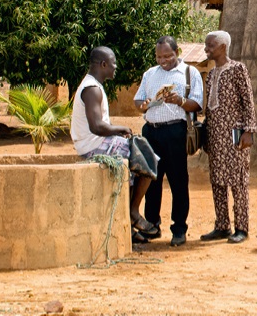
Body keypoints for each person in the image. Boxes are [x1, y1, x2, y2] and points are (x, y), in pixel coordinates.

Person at [71, 46, 157, 243]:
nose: (115, 67)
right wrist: (121, 129)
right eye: (113, 63)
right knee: (147, 159)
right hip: (94, 145)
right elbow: (96, 126)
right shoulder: (92, 89)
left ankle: (128, 218)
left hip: (98, 141)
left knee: (143, 157)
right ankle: (133, 213)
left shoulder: (94, 85)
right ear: (103, 64)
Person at [133, 36, 203, 247]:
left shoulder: (190, 73)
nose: (163, 60)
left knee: (178, 181)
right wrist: (143, 104)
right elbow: (138, 100)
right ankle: (152, 225)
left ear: (177, 52)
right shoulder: (150, 74)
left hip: (176, 131)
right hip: (151, 132)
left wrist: (180, 101)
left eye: (167, 56)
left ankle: (179, 229)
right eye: (159, 56)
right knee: (150, 180)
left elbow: (198, 104)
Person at [198, 31, 257, 244]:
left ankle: (242, 227)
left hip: (235, 134)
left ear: (223, 47)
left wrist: (249, 130)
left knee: (238, 180)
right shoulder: (212, 74)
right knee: (217, 180)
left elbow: (248, 101)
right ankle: (222, 225)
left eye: (210, 45)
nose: (207, 49)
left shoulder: (237, 69)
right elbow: (210, 108)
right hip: (215, 134)